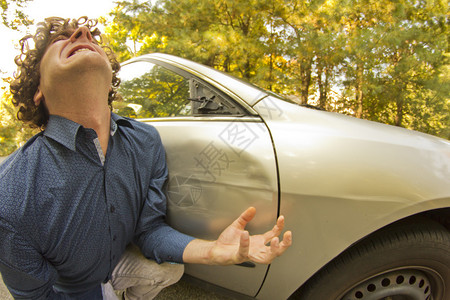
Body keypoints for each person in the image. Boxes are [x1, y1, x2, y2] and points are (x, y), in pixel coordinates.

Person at [0, 17, 292, 299]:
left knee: (169, 270)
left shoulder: (146, 141)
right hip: (72, 289)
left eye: (88, 34)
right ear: (38, 89)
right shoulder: (9, 194)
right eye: (60, 39)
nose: (83, 33)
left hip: (117, 266)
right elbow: (37, 295)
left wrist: (213, 251)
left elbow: (150, 231)